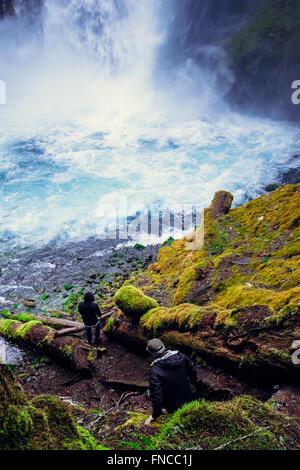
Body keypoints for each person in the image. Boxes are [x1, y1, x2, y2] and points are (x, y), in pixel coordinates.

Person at [145, 339, 197, 426]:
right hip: (188, 397)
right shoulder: (181, 356)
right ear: (164, 347)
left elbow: (156, 394)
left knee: (150, 393)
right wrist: (193, 382)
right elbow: (192, 370)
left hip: (172, 406)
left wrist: (154, 415)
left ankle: (165, 410)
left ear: (152, 353)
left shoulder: (155, 370)